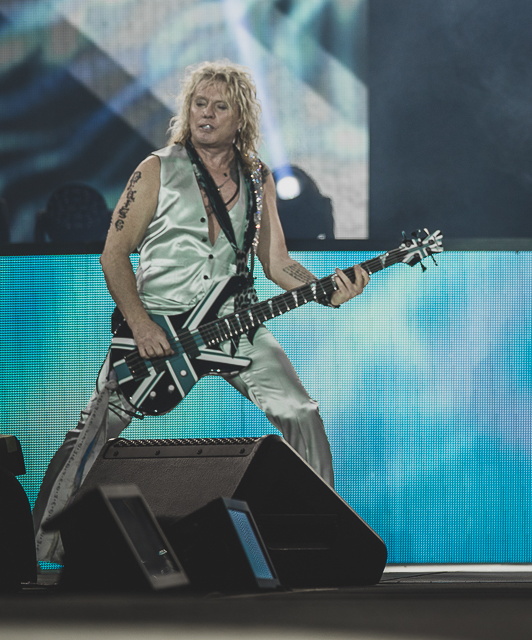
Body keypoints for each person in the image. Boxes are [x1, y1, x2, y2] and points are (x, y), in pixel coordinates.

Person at [32, 61, 368, 562]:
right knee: (95, 427)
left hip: (233, 322)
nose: (206, 115)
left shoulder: (257, 178)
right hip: (160, 325)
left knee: (302, 412)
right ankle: (40, 546)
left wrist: (323, 290)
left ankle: (325, 540)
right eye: (199, 103)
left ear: (242, 118)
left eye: (219, 106)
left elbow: (276, 262)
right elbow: (113, 253)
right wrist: (141, 325)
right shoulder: (156, 168)